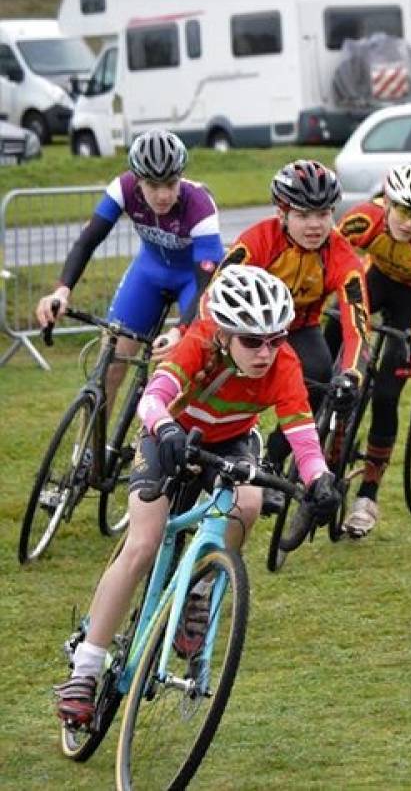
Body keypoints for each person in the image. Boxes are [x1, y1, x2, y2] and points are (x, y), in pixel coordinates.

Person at [54, 266, 339, 726]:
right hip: (169, 433)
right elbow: (152, 398)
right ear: (225, 334)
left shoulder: (283, 363)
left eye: (275, 338)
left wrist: (320, 480)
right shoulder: (200, 344)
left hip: (231, 440)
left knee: (247, 505)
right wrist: (165, 427)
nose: (266, 352)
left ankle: (199, 589)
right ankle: (85, 669)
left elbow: (303, 435)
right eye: (252, 341)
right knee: (143, 543)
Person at [195, 160, 370, 508]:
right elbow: (214, 295)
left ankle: (272, 462)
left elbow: (357, 323)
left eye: (323, 214)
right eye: (304, 215)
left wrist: (351, 374)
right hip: (246, 326)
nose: (315, 225)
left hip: (299, 327)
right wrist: (216, 343)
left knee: (320, 376)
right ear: (282, 213)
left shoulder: (341, 255)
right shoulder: (259, 240)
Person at [34, 129, 221, 406]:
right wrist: (62, 291)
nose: (162, 195)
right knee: (109, 366)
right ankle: (89, 447)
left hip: (191, 281)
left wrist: (180, 330)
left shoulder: (200, 206)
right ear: (137, 180)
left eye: (171, 183)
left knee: (189, 370)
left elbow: (206, 283)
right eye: (152, 185)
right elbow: (87, 242)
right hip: (149, 272)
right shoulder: (122, 189)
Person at [328, 164, 411, 538]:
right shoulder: (362, 219)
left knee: (385, 396)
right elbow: (330, 266)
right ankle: (323, 423)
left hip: (410, 303)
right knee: (332, 331)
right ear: (387, 200)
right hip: (375, 279)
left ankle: (367, 495)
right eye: (401, 210)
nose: (409, 222)